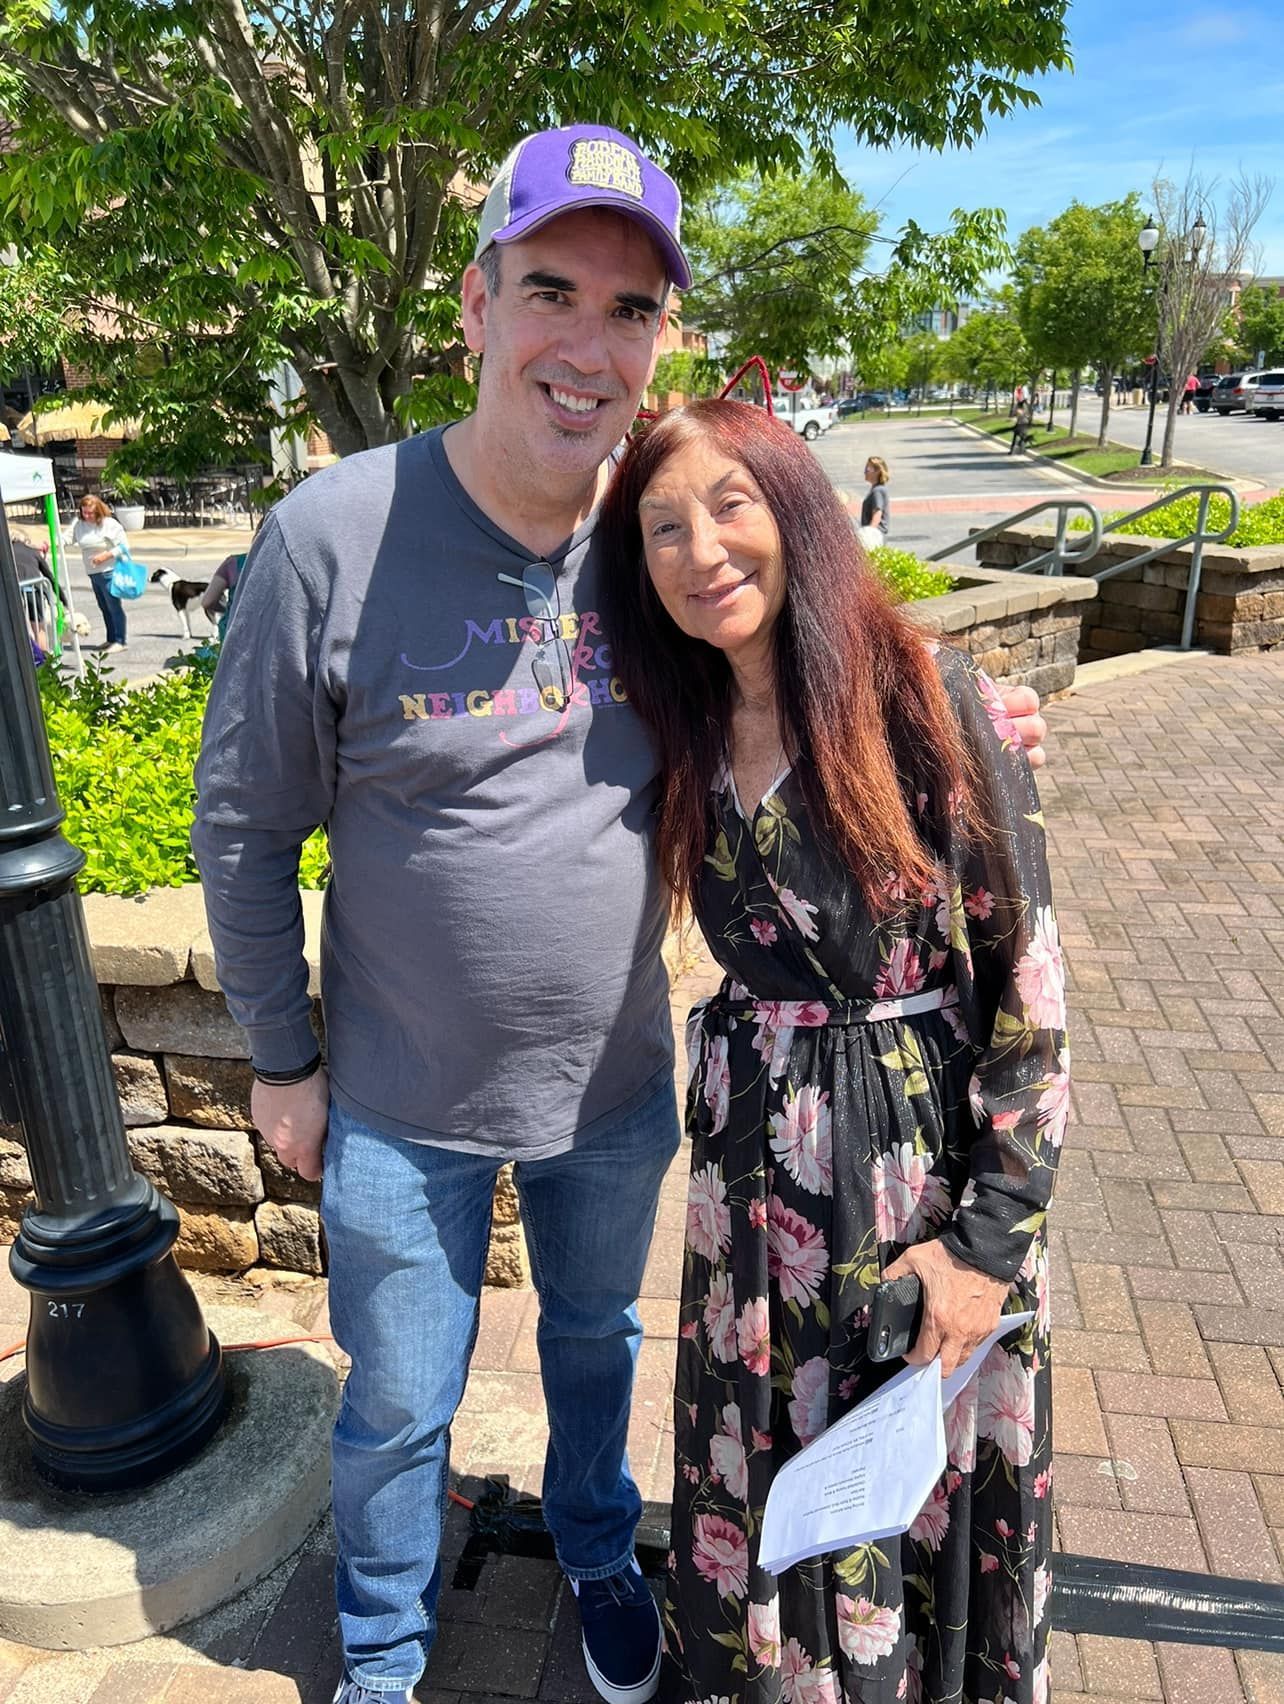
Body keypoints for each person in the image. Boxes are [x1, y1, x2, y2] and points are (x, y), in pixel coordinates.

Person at [191, 123, 1048, 1704]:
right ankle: (383, 1650)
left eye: (632, 308)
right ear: (474, 305)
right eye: (552, 290)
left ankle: (596, 1556)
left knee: (596, 1344)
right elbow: (242, 826)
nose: (588, 344)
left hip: (615, 1096)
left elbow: (810, 633)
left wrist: (958, 706)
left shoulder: (657, 536)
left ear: (661, 342)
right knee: (394, 1401)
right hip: (394, 1096)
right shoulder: (333, 535)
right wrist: (281, 1059)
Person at [598, 399, 1065, 1704]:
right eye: (662, 527)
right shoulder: (681, 729)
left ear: (798, 507)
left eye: (730, 506)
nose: (701, 551)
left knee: (894, 1497)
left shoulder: (928, 703)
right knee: (767, 1483)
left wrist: (987, 1255)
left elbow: (1034, 1006)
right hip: (746, 1197)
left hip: (908, 1197)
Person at [68, 493, 128, 652]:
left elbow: (123, 547)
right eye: (84, 512)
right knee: (104, 606)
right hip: (93, 573)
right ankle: (111, 638)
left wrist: (105, 556)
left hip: (109, 571)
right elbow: (67, 538)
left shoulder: (109, 524)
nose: (87, 516)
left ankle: (120, 640)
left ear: (99, 511)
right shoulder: (79, 525)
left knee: (113, 606)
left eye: (91, 513)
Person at [200, 550, 246, 641]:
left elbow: (207, 601)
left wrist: (230, 610)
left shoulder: (234, 563)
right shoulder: (280, 564)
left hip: (234, 636)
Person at [855, 456, 890, 551]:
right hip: (877, 535)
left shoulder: (877, 491)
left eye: (868, 469)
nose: (865, 471)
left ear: (878, 471)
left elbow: (877, 514)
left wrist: (868, 535)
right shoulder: (877, 489)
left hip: (875, 537)